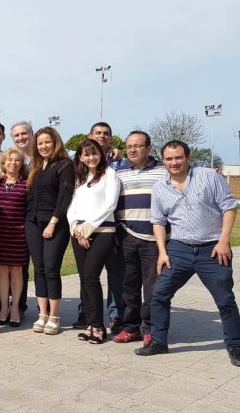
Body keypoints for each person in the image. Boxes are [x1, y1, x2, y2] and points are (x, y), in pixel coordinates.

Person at [135, 141, 240, 367]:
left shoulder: (208, 177)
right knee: (160, 294)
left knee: (225, 300)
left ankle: (235, 345)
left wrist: (224, 241)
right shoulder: (160, 187)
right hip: (179, 249)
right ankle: (158, 341)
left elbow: (229, 207)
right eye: (169, 159)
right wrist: (162, 252)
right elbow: (158, 222)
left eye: (178, 158)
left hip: (212, 249)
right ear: (163, 160)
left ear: (188, 157)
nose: (174, 163)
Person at [112, 131, 168, 344]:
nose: (133, 150)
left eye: (138, 145)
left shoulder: (163, 171)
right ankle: (130, 327)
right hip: (127, 235)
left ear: (148, 148)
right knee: (129, 286)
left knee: (152, 287)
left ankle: (151, 330)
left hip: (154, 238)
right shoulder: (119, 171)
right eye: (129, 146)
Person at [67, 139, 120, 345]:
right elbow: (73, 205)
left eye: (94, 153)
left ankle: (98, 326)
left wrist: (88, 228)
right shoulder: (80, 178)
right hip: (79, 231)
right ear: (80, 157)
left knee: (91, 276)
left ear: (101, 154)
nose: (91, 158)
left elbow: (110, 204)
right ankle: (89, 323)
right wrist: (75, 228)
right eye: (86, 154)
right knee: (83, 278)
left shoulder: (109, 175)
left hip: (102, 231)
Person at [26, 126, 74, 335]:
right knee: (38, 269)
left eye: (47, 142)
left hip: (55, 223)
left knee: (52, 269)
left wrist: (53, 222)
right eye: (40, 143)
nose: (44, 146)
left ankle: (54, 316)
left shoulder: (64, 165)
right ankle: (42, 314)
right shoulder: (36, 166)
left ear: (55, 143)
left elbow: (65, 197)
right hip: (33, 222)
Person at [0, 148, 29, 327]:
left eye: (17, 160)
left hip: (19, 235)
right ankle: (3, 308)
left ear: (21, 164)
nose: (13, 163)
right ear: (3, 163)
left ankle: (15, 309)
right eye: (9, 160)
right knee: (3, 271)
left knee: (17, 271)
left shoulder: (27, 183)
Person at [10, 120, 34, 316]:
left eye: (24, 134)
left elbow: (72, 154)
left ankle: (47, 310)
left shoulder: (43, 155)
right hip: (17, 223)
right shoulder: (13, 158)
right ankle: (18, 305)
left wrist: (110, 149)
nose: (21, 138)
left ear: (31, 134)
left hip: (39, 220)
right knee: (18, 267)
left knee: (42, 269)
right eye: (16, 135)